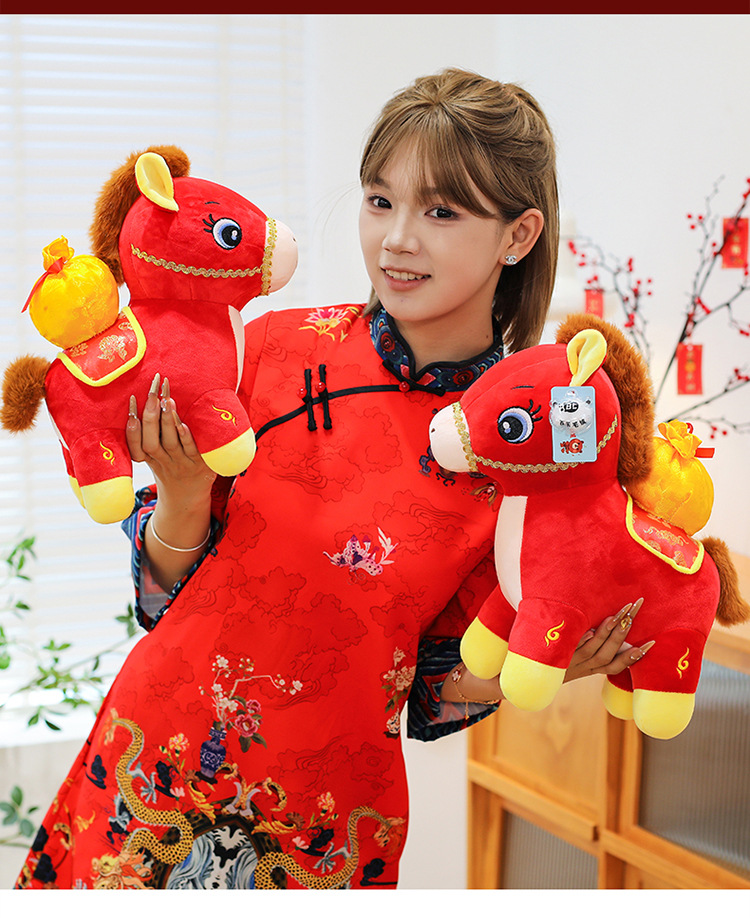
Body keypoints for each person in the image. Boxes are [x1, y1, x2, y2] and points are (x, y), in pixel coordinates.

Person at [15, 68, 650, 891]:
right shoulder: (272, 348)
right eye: (380, 201)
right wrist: (181, 492)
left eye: (441, 212)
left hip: (321, 830)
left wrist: (549, 659)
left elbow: (431, 688)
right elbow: (164, 601)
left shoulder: (519, 455)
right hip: (149, 781)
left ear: (518, 235)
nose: (396, 239)